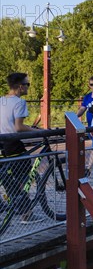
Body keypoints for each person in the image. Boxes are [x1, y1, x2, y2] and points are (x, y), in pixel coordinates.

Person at [0, 73, 42, 223]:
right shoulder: (19, 102)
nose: (28, 87)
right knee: (24, 176)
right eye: (27, 84)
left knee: (7, 175)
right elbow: (19, 127)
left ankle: (14, 204)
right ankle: (27, 214)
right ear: (19, 86)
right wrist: (38, 131)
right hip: (13, 142)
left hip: (1, 143)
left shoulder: (1, 100)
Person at [76, 76, 93, 146]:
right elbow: (82, 108)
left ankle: (91, 158)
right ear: (89, 85)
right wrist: (75, 116)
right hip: (90, 126)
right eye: (91, 84)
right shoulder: (87, 97)